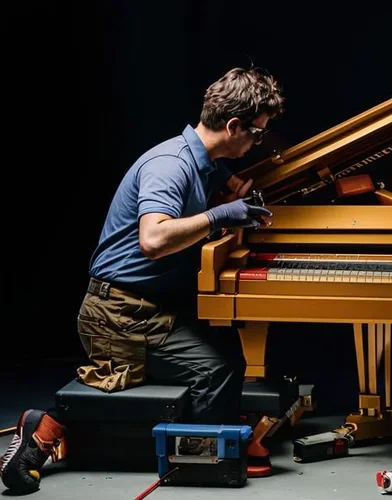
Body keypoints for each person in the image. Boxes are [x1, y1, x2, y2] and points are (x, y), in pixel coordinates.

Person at [1, 66, 284, 494]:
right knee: (218, 369)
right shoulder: (170, 165)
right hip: (119, 314)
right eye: (258, 134)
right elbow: (152, 240)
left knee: (226, 345)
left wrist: (228, 193)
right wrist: (220, 215)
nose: (258, 141)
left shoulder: (202, 160)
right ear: (232, 126)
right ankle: (199, 458)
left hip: (150, 305)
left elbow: (214, 187)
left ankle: (217, 432)